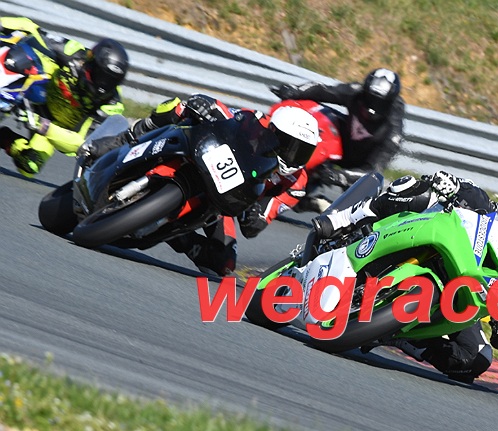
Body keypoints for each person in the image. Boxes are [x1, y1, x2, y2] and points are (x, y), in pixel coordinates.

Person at [312, 170, 498, 383]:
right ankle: (346, 219)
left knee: (476, 359)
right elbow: (484, 205)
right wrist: (456, 186)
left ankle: (398, 335)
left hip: (465, 299)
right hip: (454, 247)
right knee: (417, 192)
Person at [82, 93, 320, 275]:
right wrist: (206, 105)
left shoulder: (296, 184)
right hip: (204, 157)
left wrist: (254, 214)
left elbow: (257, 224)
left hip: (225, 200)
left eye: (302, 152)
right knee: (177, 106)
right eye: (288, 145)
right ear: (273, 131)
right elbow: (226, 115)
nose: (292, 156)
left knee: (223, 263)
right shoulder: (256, 122)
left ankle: (173, 234)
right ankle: (126, 139)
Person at [0, 17, 128, 177]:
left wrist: (42, 125)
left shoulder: (111, 106)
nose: (103, 85)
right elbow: (32, 29)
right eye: (101, 76)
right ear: (91, 64)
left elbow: (81, 144)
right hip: (38, 89)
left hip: (51, 123)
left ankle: (4, 137)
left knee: (30, 164)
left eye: (110, 81)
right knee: (27, 57)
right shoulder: (74, 52)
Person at [269, 68, 404, 213]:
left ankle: (315, 204)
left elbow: (373, 172)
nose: (372, 107)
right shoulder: (356, 92)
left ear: (390, 103)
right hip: (340, 146)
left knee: (357, 210)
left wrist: (339, 176)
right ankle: (284, 167)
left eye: (379, 103)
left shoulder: (393, 132)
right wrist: (295, 91)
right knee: (323, 117)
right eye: (370, 99)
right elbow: (324, 90)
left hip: (362, 165)